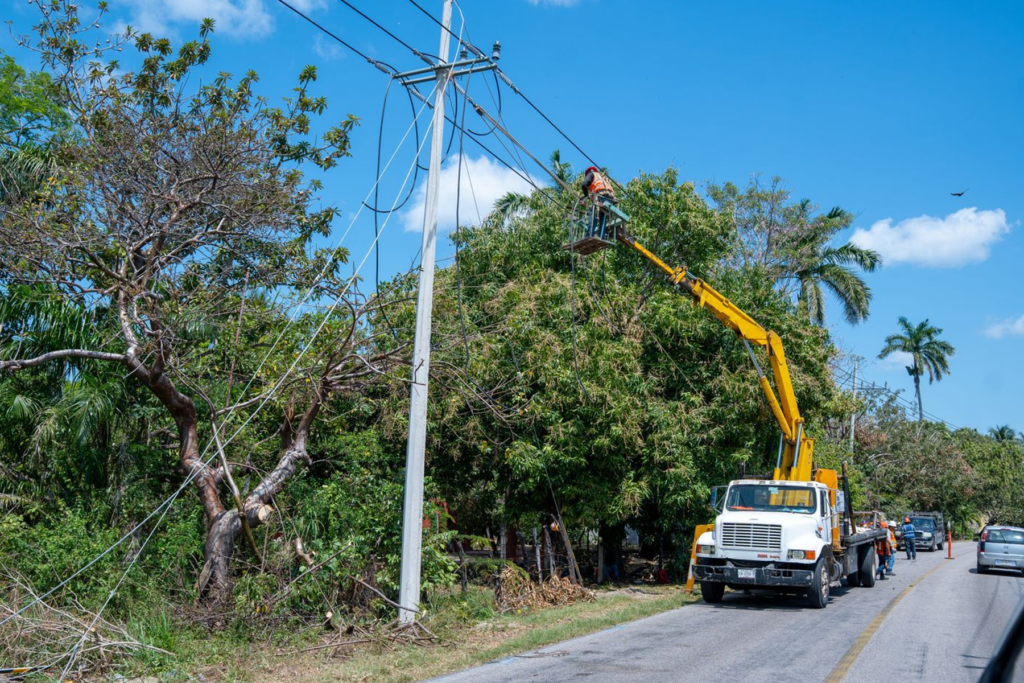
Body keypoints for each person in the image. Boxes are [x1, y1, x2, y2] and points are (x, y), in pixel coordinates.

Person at [581, 166, 617, 240]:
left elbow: (584, 184)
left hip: (601, 194)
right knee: (602, 215)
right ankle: (602, 236)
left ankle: (589, 234)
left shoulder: (591, 173)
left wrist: (586, 196)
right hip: (610, 197)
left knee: (593, 212)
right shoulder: (601, 178)